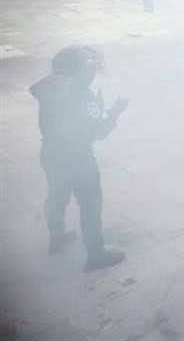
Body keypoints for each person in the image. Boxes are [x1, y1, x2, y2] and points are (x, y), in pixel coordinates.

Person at [29, 46, 129, 271]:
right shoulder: (83, 94)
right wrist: (115, 111)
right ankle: (96, 254)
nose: (92, 73)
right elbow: (98, 131)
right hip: (78, 158)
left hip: (51, 154)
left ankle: (57, 237)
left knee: (56, 195)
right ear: (78, 70)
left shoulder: (49, 88)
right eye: (90, 68)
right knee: (90, 204)